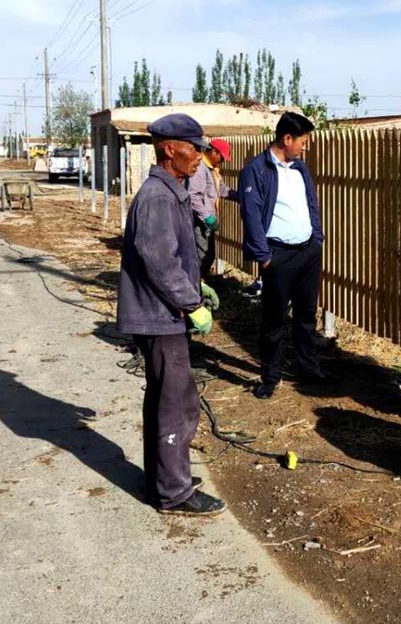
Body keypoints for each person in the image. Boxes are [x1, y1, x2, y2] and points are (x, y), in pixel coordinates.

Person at [116, 113, 224, 517]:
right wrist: (191, 303)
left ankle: (164, 479)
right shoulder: (159, 197)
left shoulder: (171, 190)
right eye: (194, 148)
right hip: (159, 316)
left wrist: (197, 288)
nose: (200, 155)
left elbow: (173, 256)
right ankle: (173, 493)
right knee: (174, 403)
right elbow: (160, 261)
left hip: (163, 313)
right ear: (169, 149)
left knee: (170, 398)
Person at [239, 111, 327, 399]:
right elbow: (250, 213)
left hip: (307, 253)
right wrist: (264, 256)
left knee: (305, 316)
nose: (305, 146)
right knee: (274, 321)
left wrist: (317, 239)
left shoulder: (300, 169)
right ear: (286, 138)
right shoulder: (257, 169)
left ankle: (309, 370)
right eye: (302, 141)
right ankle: (270, 377)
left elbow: (310, 204)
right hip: (279, 256)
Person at [187, 137, 239, 279]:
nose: (222, 161)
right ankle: (194, 289)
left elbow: (221, 189)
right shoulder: (200, 169)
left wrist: (239, 196)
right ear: (214, 151)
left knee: (208, 256)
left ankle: (197, 286)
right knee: (202, 257)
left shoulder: (212, 170)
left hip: (205, 222)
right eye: (221, 157)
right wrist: (207, 217)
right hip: (199, 222)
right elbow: (193, 196)